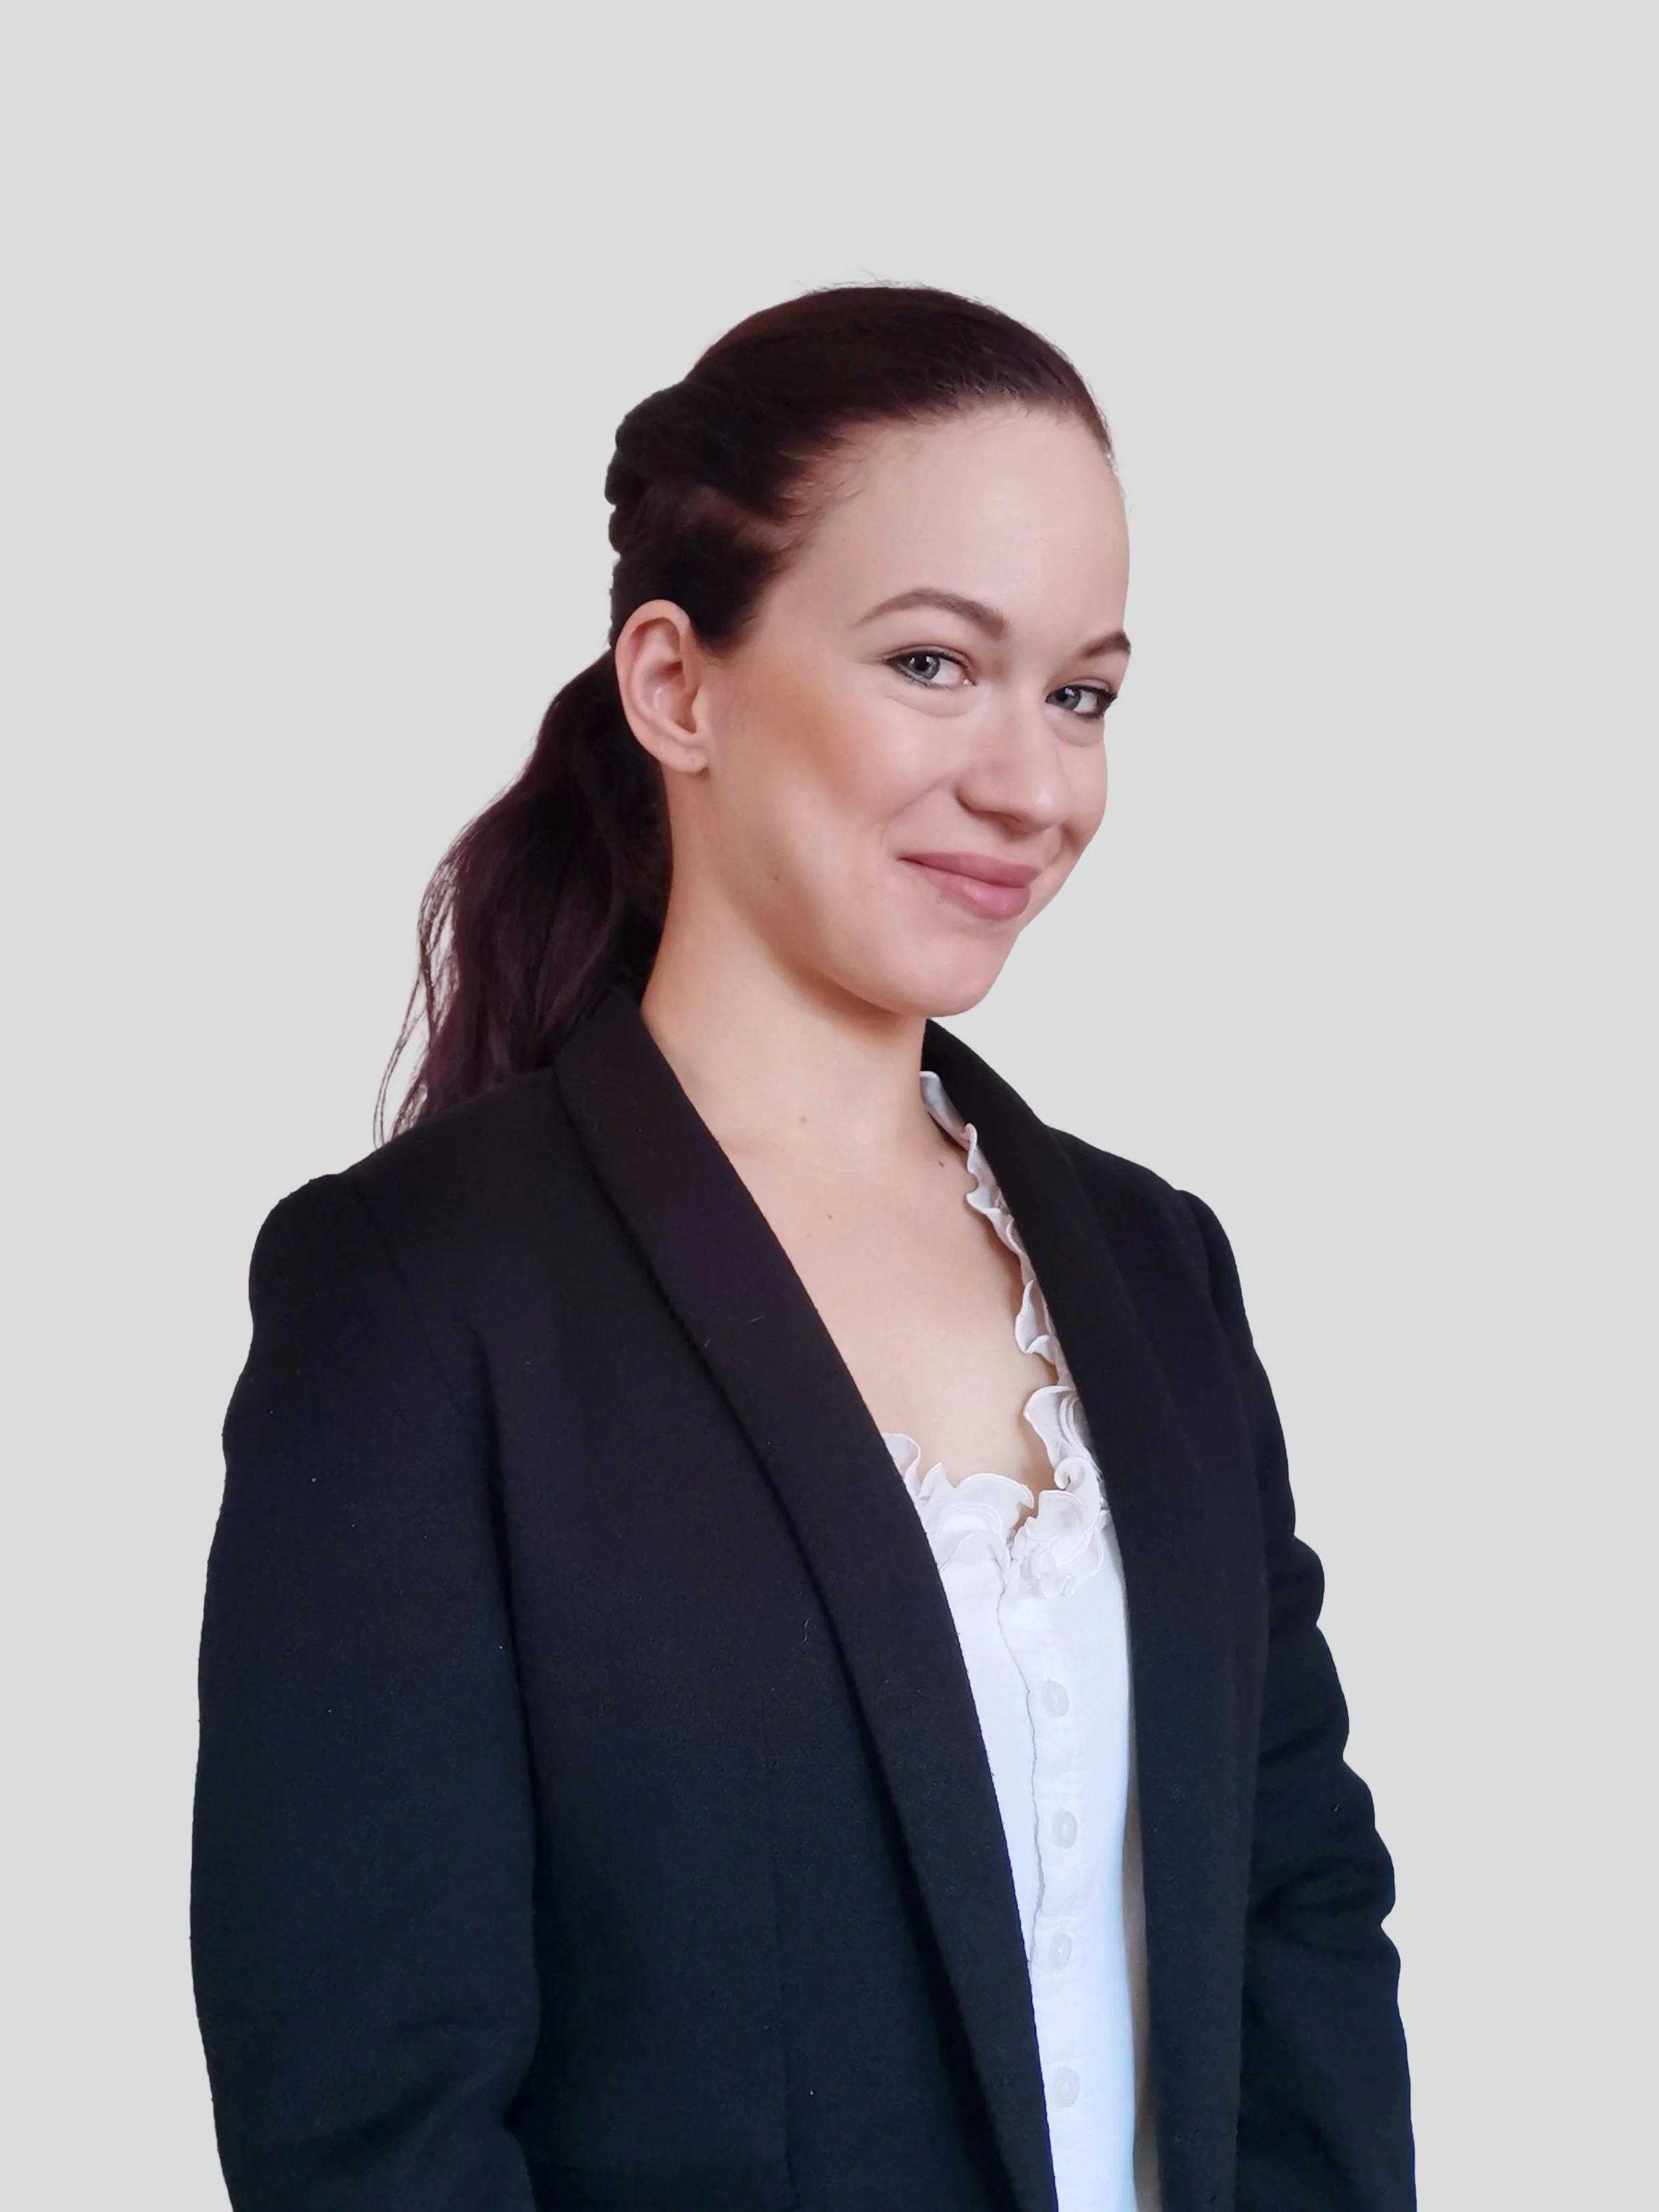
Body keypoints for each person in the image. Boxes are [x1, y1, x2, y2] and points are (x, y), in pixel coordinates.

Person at [190, 283, 1414, 2212]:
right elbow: (372, 2119)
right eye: (935, 663)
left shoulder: (1157, 1268)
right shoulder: (423, 1294)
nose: (1032, 786)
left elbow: (1299, 1921)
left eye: (1082, 693)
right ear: (676, 685)